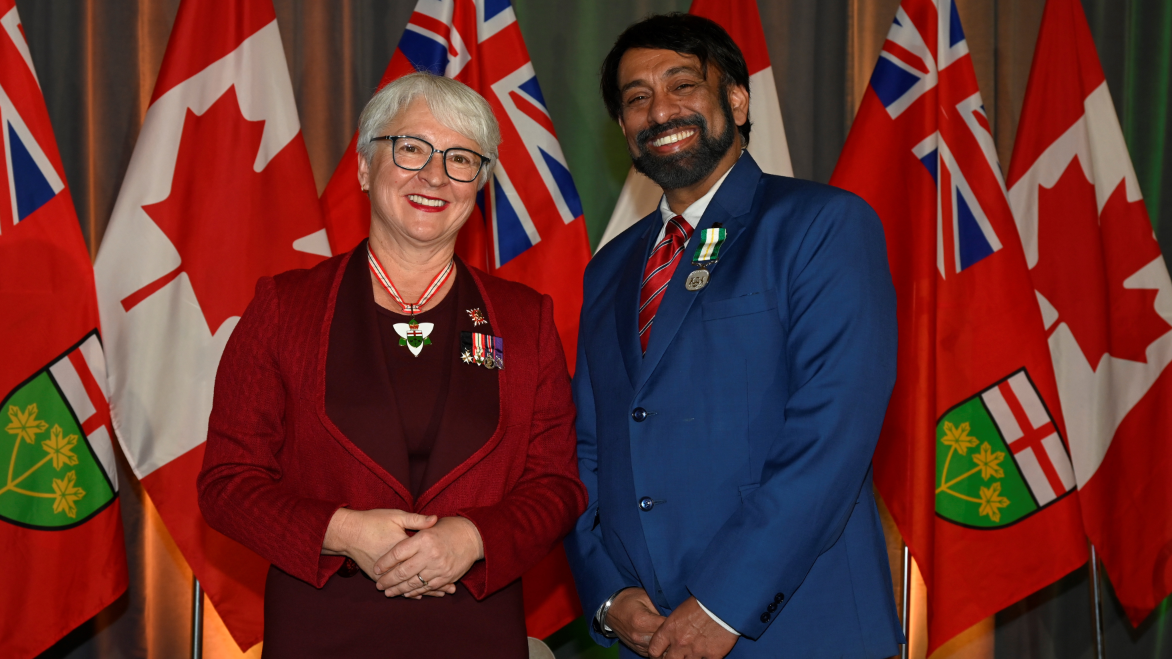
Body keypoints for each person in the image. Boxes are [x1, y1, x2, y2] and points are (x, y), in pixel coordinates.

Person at [197, 72, 586, 658]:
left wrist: (473, 538)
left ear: (479, 185)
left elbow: (557, 485)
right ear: (363, 167)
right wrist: (343, 531)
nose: (435, 175)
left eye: (461, 159)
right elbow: (228, 483)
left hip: (473, 631)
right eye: (411, 149)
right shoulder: (284, 308)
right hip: (323, 630)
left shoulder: (524, 320)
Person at [566, 14, 903, 659]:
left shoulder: (821, 225)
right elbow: (587, 447)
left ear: (738, 101)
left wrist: (725, 602)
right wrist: (608, 593)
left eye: (682, 85)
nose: (659, 111)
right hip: (647, 632)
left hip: (794, 629)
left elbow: (833, 432)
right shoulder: (608, 270)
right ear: (624, 128)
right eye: (636, 98)